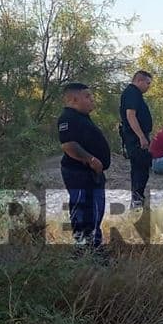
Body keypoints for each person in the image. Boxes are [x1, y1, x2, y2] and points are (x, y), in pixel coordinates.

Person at [57, 82, 111, 252]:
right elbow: (69, 146)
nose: (92, 99)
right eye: (87, 96)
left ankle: (94, 246)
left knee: (95, 211)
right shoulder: (67, 118)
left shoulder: (81, 117)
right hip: (79, 173)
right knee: (83, 211)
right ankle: (84, 251)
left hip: (91, 174)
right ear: (74, 99)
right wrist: (92, 160)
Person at [119, 70, 154, 208]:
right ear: (139, 80)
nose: (148, 86)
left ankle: (138, 197)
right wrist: (141, 137)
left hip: (137, 136)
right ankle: (137, 199)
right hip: (136, 138)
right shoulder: (132, 92)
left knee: (140, 167)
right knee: (141, 167)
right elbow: (130, 116)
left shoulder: (134, 93)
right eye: (147, 83)